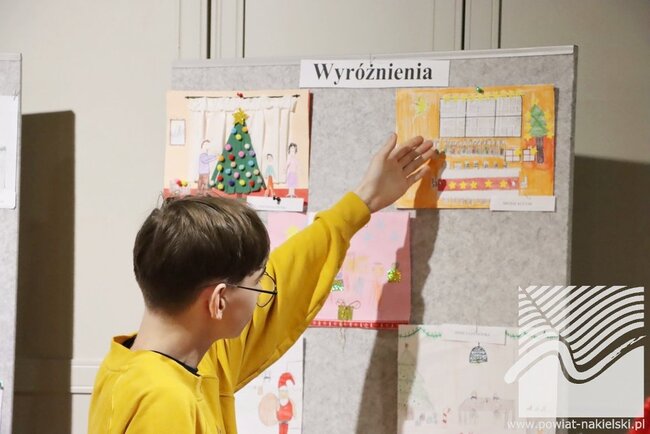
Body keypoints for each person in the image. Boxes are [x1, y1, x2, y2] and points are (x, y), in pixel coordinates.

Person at [88, 134, 439, 434]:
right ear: (219, 301)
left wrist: (362, 201)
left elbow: (289, 273)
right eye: (257, 286)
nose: (262, 298)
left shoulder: (165, 360)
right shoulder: (166, 400)